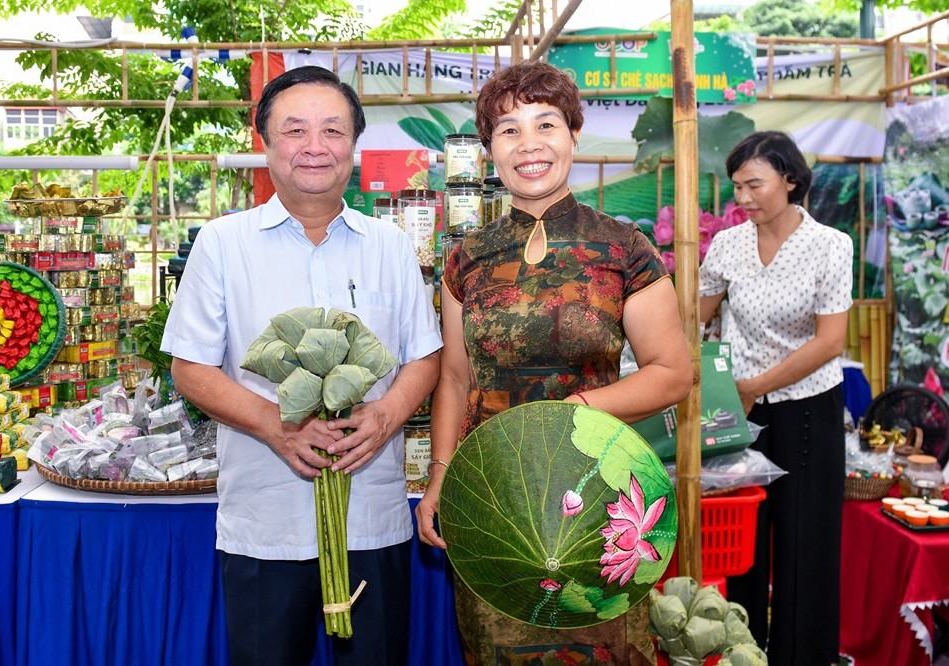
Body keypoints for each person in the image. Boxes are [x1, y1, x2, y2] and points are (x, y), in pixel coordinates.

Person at [161, 65, 442, 665]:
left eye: (333, 130)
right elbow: (191, 367)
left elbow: (425, 355)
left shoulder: (390, 245)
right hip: (265, 521)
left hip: (371, 517)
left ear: (354, 145)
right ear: (265, 142)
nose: (315, 147)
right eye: (295, 130)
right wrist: (277, 426)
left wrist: (387, 414)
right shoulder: (222, 243)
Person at [415, 60, 692, 665]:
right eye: (508, 130)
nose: (529, 144)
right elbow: (455, 379)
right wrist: (439, 476)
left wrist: (576, 411)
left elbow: (672, 372)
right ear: (489, 149)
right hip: (496, 497)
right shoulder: (467, 258)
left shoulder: (624, 247)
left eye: (546, 124)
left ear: (573, 136)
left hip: (599, 498)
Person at [698, 130, 853, 665]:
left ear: (790, 179)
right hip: (735, 413)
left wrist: (754, 387)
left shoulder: (830, 245)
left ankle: (803, 656)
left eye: (754, 184)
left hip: (808, 409)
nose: (742, 197)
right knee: (741, 542)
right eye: (736, 186)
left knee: (805, 542)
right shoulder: (727, 245)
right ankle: (743, 653)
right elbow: (692, 318)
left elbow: (830, 342)